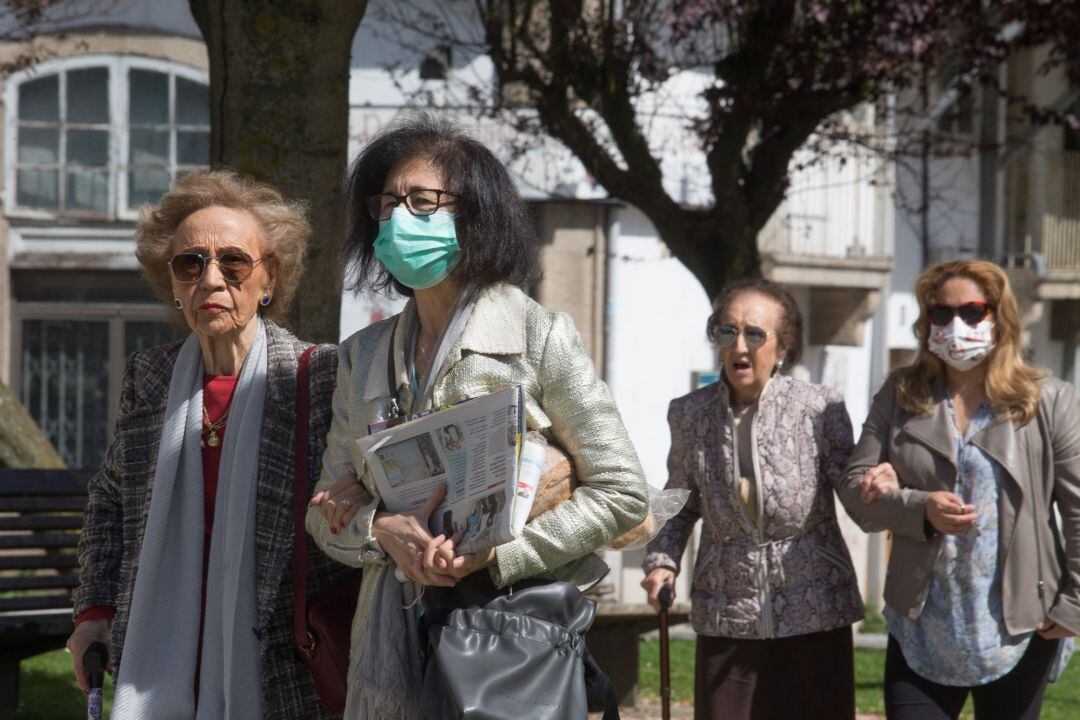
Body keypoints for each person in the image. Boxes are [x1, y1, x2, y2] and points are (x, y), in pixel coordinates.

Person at [305, 114, 649, 719]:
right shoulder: (361, 355)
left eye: (421, 201)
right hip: (388, 647)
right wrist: (380, 532)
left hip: (508, 643)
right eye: (386, 204)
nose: (397, 219)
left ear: (474, 215)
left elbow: (623, 492)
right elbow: (325, 514)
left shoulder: (538, 335)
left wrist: (500, 554)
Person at [67, 170, 354, 720]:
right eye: (190, 263)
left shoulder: (322, 378)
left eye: (234, 262)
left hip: (281, 663)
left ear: (269, 278)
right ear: (173, 283)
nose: (211, 279)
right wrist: (94, 612)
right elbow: (111, 502)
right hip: (163, 657)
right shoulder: (149, 378)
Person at [837, 259, 1079, 720]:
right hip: (922, 623)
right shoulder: (900, 394)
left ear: (999, 316)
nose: (955, 325)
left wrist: (1074, 603)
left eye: (972, 311)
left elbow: (1078, 509)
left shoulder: (1047, 400)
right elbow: (854, 490)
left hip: (1020, 625)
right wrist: (918, 507)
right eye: (941, 313)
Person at [641, 278, 864, 720]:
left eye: (754, 334)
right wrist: (661, 562)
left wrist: (885, 487)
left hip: (814, 606)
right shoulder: (689, 413)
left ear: (784, 346)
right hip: (726, 609)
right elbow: (681, 501)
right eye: (727, 332)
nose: (739, 345)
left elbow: (853, 487)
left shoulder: (820, 408)